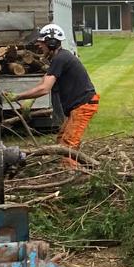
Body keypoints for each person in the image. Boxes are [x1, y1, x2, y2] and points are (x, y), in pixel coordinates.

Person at [11, 24, 99, 169]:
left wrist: (18, 96)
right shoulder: (59, 57)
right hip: (78, 106)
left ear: (51, 42)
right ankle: (68, 168)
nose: (39, 46)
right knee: (61, 139)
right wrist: (29, 99)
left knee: (68, 145)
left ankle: (72, 174)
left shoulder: (61, 58)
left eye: (42, 42)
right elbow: (44, 80)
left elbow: (45, 88)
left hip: (83, 106)